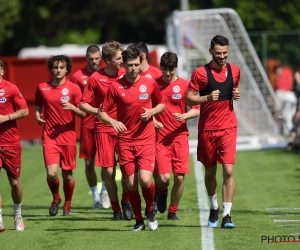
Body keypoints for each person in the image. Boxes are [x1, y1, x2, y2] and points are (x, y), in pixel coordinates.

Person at [98, 48, 165, 231]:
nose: (134, 68)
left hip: (145, 139)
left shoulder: (149, 83)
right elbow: (101, 112)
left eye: (136, 64)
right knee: (131, 184)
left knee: (145, 180)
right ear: (123, 65)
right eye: (130, 65)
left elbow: (161, 104)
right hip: (125, 141)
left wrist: (152, 112)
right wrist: (112, 121)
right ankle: (138, 220)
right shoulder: (116, 87)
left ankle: (150, 210)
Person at [186, 35, 241, 229]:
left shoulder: (235, 70)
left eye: (225, 53)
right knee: (210, 172)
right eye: (218, 53)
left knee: (228, 169)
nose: (222, 56)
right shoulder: (201, 73)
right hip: (207, 128)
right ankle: (214, 206)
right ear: (210, 52)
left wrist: (236, 94)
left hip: (228, 127)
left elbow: (234, 90)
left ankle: (227, 215)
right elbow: (190, 99)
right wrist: (207, 98)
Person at [80, 41, 133, 221]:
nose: (122, 60)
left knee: (127, 171)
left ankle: (126, 201)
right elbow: (83, 104)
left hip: (125, 128)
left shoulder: (126, 73)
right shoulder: (96, 78)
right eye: (119, 58)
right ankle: (116, 209)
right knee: (109, 172)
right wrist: (100, 112)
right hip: (103, 128)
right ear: (108, 60)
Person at [35, 55, 85, 216]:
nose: (58, 70)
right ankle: (56, 197)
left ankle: (68, 204)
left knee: (67, 176)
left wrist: (72, 107)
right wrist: (37, 115)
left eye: (61, 67)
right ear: (51, 69)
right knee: (51, 174)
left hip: (68, 137)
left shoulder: (74, 88)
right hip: (49, 137)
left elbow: (83, 113)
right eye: (55, 67)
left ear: (67, 69)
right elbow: (37, 104)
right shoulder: (42, 87)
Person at [154, 52, 200, 220]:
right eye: (165, 69)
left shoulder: (185, 85)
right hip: (160, 138)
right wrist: (152, 120)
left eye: (171, 69)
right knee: (163, 178)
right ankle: (162, 191)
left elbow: (196, 109)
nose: (167, 73)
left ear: (176, 67)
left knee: (179, 177)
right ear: (161, 67)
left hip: (180, 137)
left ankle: (172, 211)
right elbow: (144, 107)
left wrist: (184, 116)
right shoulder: (154, 85)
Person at [70, 45, 109, 209]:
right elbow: (74, 102)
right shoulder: (77, 77)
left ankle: (105, 192)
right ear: (86, 59)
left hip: (106, 122)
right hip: (87, 124)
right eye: (91, 59)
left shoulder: (108, 73)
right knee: (88, 163)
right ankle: (96, 197)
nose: (94, 62)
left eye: (96, 58)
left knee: (106, 162)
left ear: (101, 58)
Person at [0, 59, 28, 231]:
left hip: (10, 143)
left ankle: (17, 215)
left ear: (2, 70)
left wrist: (6, 117)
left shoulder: (11, 88)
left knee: (15, 183)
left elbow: (25, 110)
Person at [273, 65, 297, 135]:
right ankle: (285, 130)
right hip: (287, 95)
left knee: (280, 113)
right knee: (284, 115)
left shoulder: (286, 72)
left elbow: (286, 85)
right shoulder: (283, 75)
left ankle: (280, 129)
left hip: (284, 94)